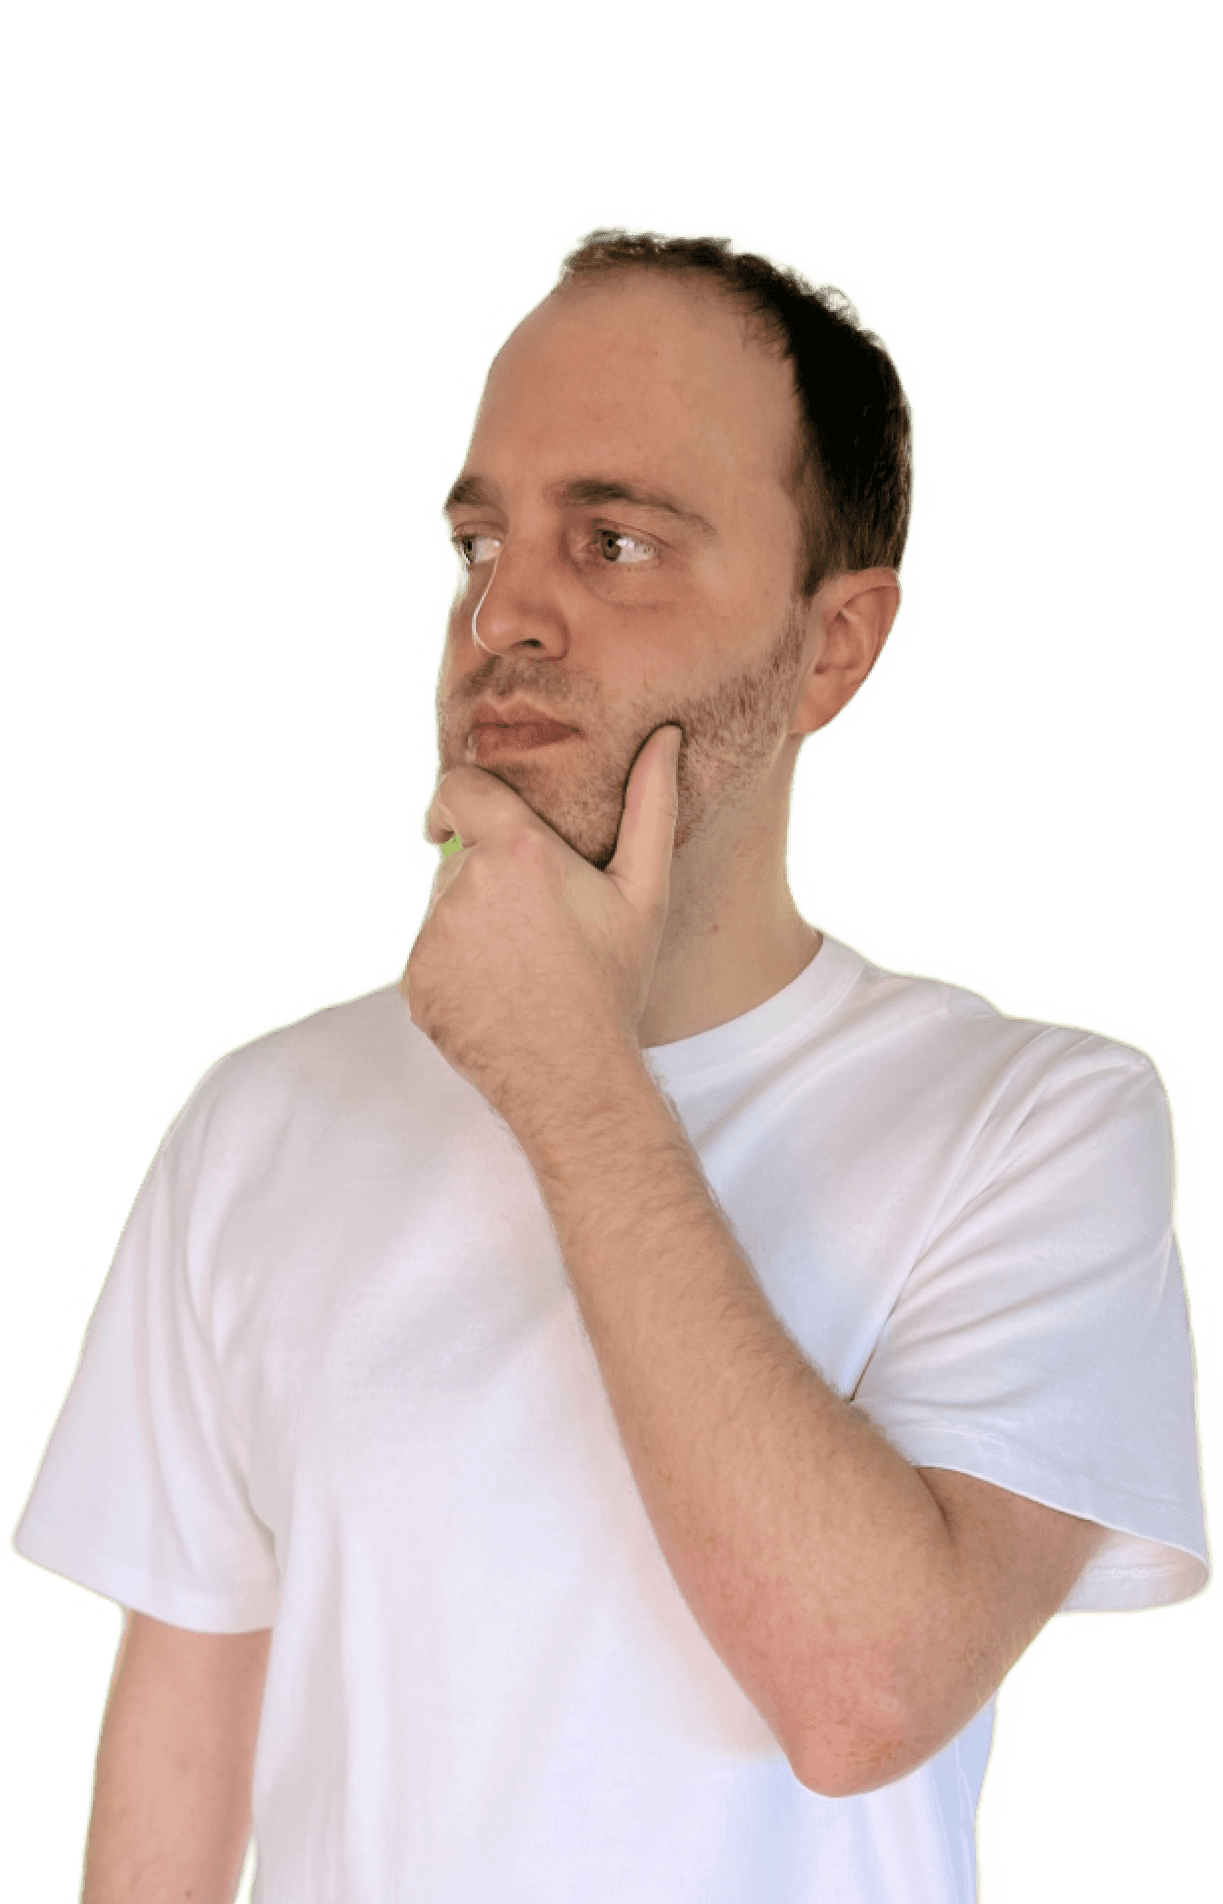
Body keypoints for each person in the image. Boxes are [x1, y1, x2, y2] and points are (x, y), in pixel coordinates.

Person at [9, 224, 1209, 1904]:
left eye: (617, 541)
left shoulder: (1037, 1124)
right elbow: (175, 1781)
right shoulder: (263, 1118)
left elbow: (866, 1696)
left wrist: (568, 1074)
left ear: (833, 646)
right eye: (481, 540)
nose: (502, 612)